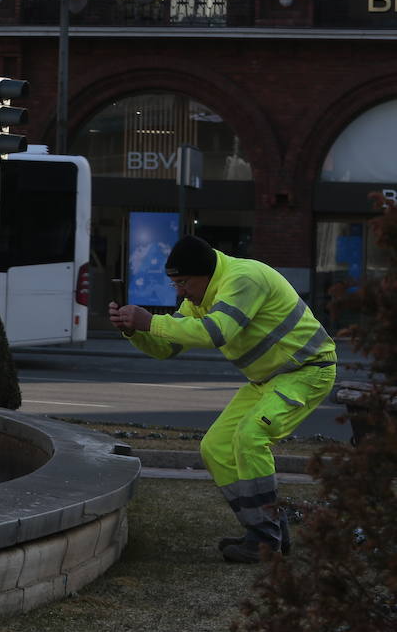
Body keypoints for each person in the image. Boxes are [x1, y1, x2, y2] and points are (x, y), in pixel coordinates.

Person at [108, 235, 336, 564]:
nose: (180, 292)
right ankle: (266, 528)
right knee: (214, 447)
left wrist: (151, 321)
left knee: (250, 437)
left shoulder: (244, 279)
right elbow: (166, 349)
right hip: (266, 380)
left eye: (183, 282)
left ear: (206, 273)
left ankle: (265, 538)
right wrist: (133, 331)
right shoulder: (200, 297)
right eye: (175, 283)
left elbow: (217, 333)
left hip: (308, 371)